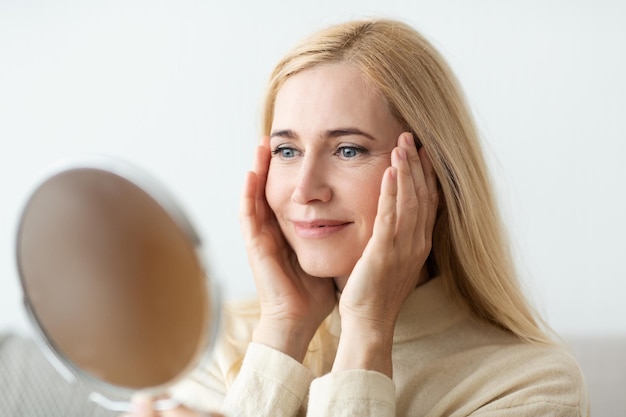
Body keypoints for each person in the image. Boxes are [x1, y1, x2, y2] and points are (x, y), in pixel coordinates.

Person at [127, 18, 589, 417]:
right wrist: (283, 330)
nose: (305, 190)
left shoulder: (529, 385)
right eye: (287, 150)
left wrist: (368, 330)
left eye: (348, 150)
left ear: (432, 173)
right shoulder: (218, 343)